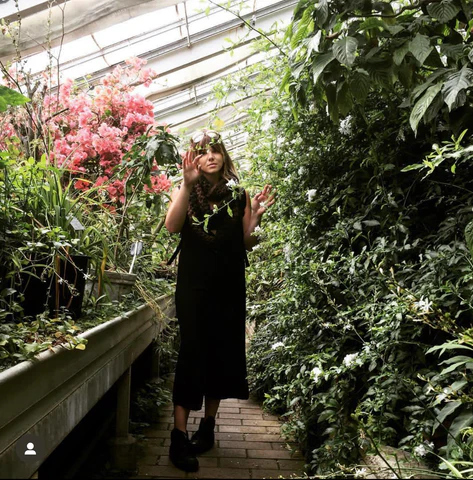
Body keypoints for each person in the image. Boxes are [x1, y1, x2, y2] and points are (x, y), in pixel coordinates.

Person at [164, 129, 276, 472]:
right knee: (192, 349)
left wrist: (254, 218)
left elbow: (247, 243)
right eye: (203, 151)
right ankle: (178, 437)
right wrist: (185, 184)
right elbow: (171, 227)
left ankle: (208, 427)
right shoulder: (186, 190)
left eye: (216, 150)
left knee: (221, 350)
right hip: (194, 284)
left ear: (224, 156)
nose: (211, 156)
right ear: (194, 157)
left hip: (228, 284)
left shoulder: (238, 195)